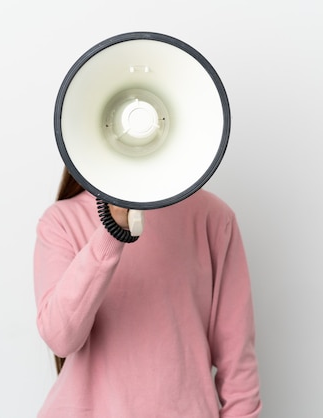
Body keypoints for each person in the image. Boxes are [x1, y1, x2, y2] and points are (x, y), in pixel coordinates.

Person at [33, 167, 262, 418]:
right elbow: (61, 338)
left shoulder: (213, 217)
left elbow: (239, 368)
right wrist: (112, 232)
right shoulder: (61, 221)